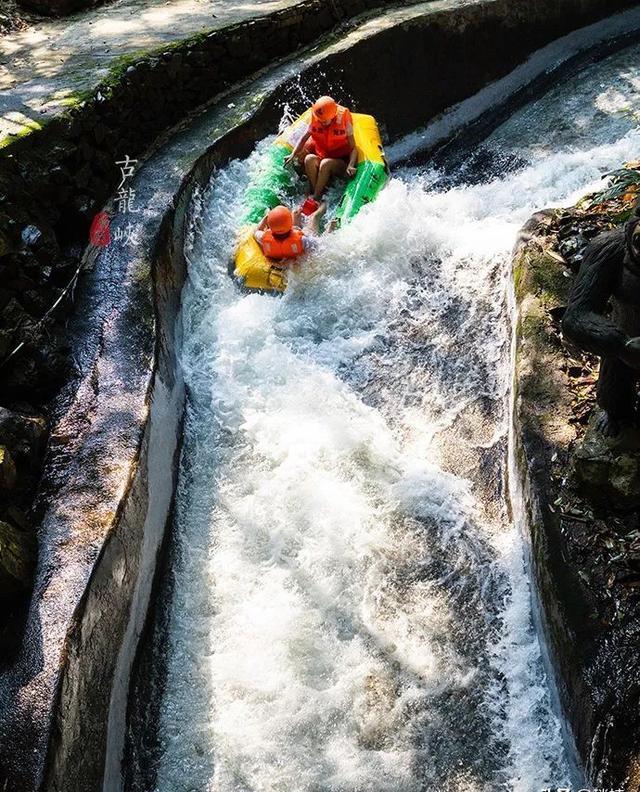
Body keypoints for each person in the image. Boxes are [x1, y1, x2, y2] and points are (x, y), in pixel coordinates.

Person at [284, 96, 358, 213]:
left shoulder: (344, 120)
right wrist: (293, 154)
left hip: (340, 161)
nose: (321, 123)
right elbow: (303, 139)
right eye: (320, 120)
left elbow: (354, 148)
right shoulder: (316, 118)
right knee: (309, 158)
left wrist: (351, 165)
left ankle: (316, 197)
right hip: (323, 155)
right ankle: (316, 191)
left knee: (325, 163)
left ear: (333, 116)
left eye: (324, 121)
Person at [254, 203, 325, 267]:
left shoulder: (263, 237)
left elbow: (256, 230)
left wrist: (266, 217)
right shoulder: (302, 240)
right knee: (314, 217)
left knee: (295, 213)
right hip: (296, 253)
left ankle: (295, 214)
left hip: (282, 259)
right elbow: (319, 247)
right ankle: (324, 203)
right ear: (290, 223)